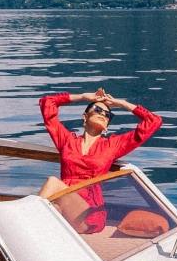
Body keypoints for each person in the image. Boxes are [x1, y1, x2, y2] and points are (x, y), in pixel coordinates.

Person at [38, 88, 161, 232]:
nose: (103, 114)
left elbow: (154, 121)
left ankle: (18, 222)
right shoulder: (67, 140)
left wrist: (121, 103)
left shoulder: (112, 145)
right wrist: (83, 96)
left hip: (89, 211)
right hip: (65, 202)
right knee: (53, 209)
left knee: (52, 183)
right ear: (85, 117)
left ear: (107, 126)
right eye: (98, 109)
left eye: (108, 114)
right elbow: (47, 102)